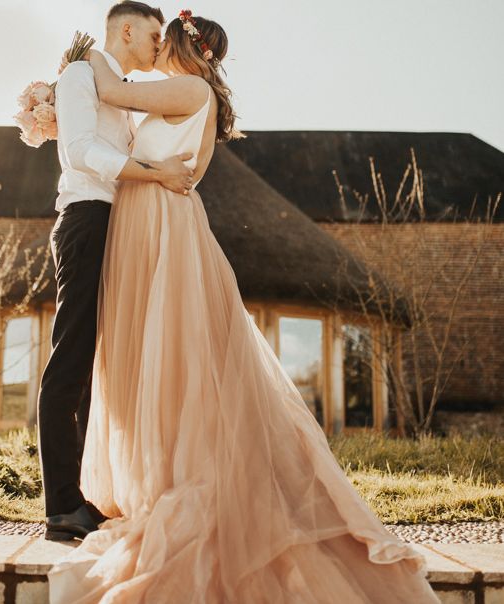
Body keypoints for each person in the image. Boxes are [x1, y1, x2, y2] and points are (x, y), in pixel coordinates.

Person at [48, 8, 441, 603]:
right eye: (149, 37)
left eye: (161, 39)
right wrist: (63, 101)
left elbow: (108, 90)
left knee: (165, 357)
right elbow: (108, 119)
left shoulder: (183, 87)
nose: (154, 49)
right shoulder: (179, 94)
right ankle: (132, 484)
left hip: (155, 224)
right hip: (141, 221)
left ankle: (147, 487)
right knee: (155, 360)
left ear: (181, 44)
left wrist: (69, 75)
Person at [37, 1, 197, 542]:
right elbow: (81, 150)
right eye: (154, 35)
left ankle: (79, 496)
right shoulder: (80, 75)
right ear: (127, 30)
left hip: (116, 226)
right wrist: (155, 174)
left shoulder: (117, 88)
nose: (160, 44)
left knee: (96, 366)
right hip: (86, 220)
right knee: (71, 358)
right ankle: (60, 505)